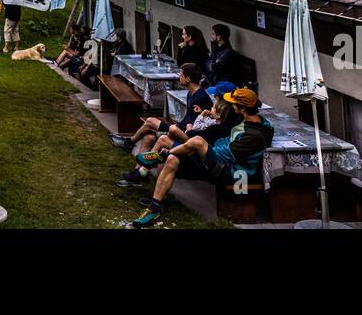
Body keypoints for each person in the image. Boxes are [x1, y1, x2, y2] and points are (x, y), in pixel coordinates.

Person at [131, 87, 273, 227]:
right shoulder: (248, 119)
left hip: (230, 170)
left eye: (233, 103)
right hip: (218, 158)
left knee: (197, 141)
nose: (231, 105)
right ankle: (154, 208)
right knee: (173, 159)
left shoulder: (253, 135)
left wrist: (202, 149)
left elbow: (224, 155)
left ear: (242, 108)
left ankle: (164, 154)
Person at [115, 79, 235, 188]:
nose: (213, 97)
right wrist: (199, 118)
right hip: (193, 136)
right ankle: (140, 173)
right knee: (150, 137)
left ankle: (140, 167)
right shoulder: (213, 113)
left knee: (166, 135)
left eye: (216, 97)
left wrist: (189, 128)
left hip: (197, 145)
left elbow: (199, 134)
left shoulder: (217, 117)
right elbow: (196, 125)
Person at [110, 62, 210, 152]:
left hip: (186, 134)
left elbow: (195, 125)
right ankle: (138, 166)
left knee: (150, 121)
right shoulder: (191, 93)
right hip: (181, 128)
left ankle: (130, 143)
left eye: (181, 76)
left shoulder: (199, 97)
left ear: (188, 79)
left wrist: (177, 129)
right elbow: (188, 119)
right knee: (149, 136)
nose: (179, 77)